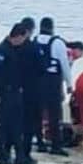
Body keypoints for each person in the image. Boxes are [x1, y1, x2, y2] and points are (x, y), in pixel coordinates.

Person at [0, 23, 35, 164]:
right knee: (4, 126)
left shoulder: (14, 49)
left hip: (15, 92)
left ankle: (19, 156)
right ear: (18, 36)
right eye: (23, 39)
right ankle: (1, 155)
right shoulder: (3, 50)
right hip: (5, 93)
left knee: (16, 126)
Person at [33, 17, 72, 156]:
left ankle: (40, 142)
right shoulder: (57, 43)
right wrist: (69, 84)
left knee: (37, 112)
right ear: (52, 28)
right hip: (52, 81)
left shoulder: (35, 40)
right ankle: (56, 145)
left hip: (37, 80)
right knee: (54, 114)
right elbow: (64, 65)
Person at [16, 16, 43, 158]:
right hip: (30, 90)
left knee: (15, 122)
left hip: (14, 89)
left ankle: (11, 152)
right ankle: (24, 154)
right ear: (31, 30)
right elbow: (41, 69)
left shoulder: (12, 45)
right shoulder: (33, 47)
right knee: (28, 123)